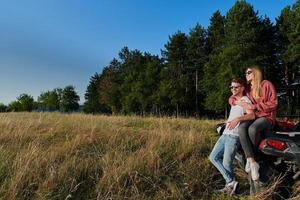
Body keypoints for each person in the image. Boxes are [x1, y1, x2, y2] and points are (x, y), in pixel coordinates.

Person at [229, 66, 278, 181]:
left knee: (253, 129)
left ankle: (255, 155)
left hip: (267, 117)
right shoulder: (247, 88)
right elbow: (233, 95)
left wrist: (254, 106)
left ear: (256, 73)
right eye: (246, 72)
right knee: (241, 128)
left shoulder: (266, 84)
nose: (246, 74)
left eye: (249, 72)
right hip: (254, 116)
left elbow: (274, 103)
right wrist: (235, 101)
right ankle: (251, 160)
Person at [209, 78, 255, 196]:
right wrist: (226, 123)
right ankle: (230, 183)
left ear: (242, 88)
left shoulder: (245, 100)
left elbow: (252, 115)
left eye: (236, 87)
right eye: (231, 87)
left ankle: (229, 186)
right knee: (213, 157)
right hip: (225, 134)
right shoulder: (234, 100)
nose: (233, 89)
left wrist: (239, 119)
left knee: (226, 163)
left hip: (234, 136)